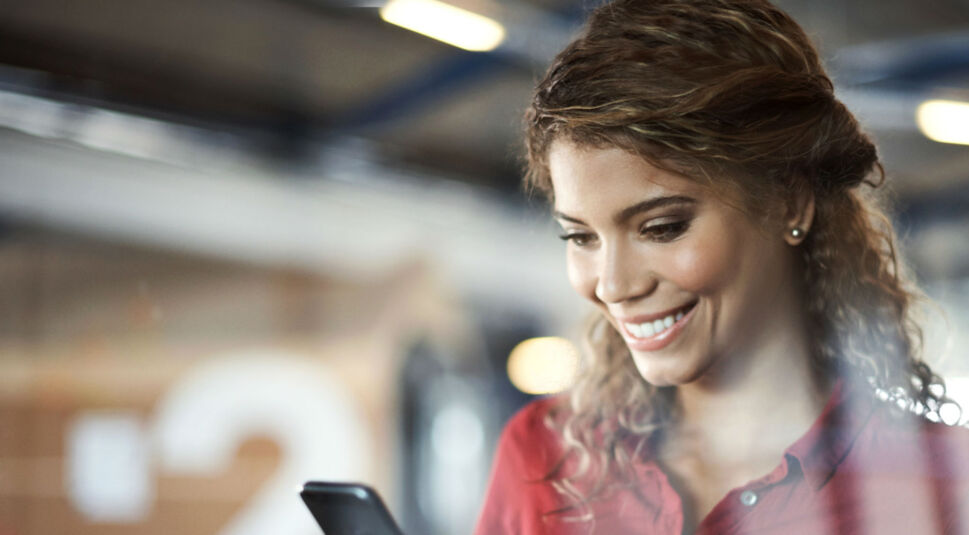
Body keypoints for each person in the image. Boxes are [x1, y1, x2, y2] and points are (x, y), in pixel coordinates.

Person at [473, 0, 969, 533]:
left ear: (789, 203)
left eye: (662, 228)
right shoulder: (541, 458)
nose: (614, 285)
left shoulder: (945, 489)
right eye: (581, 237)